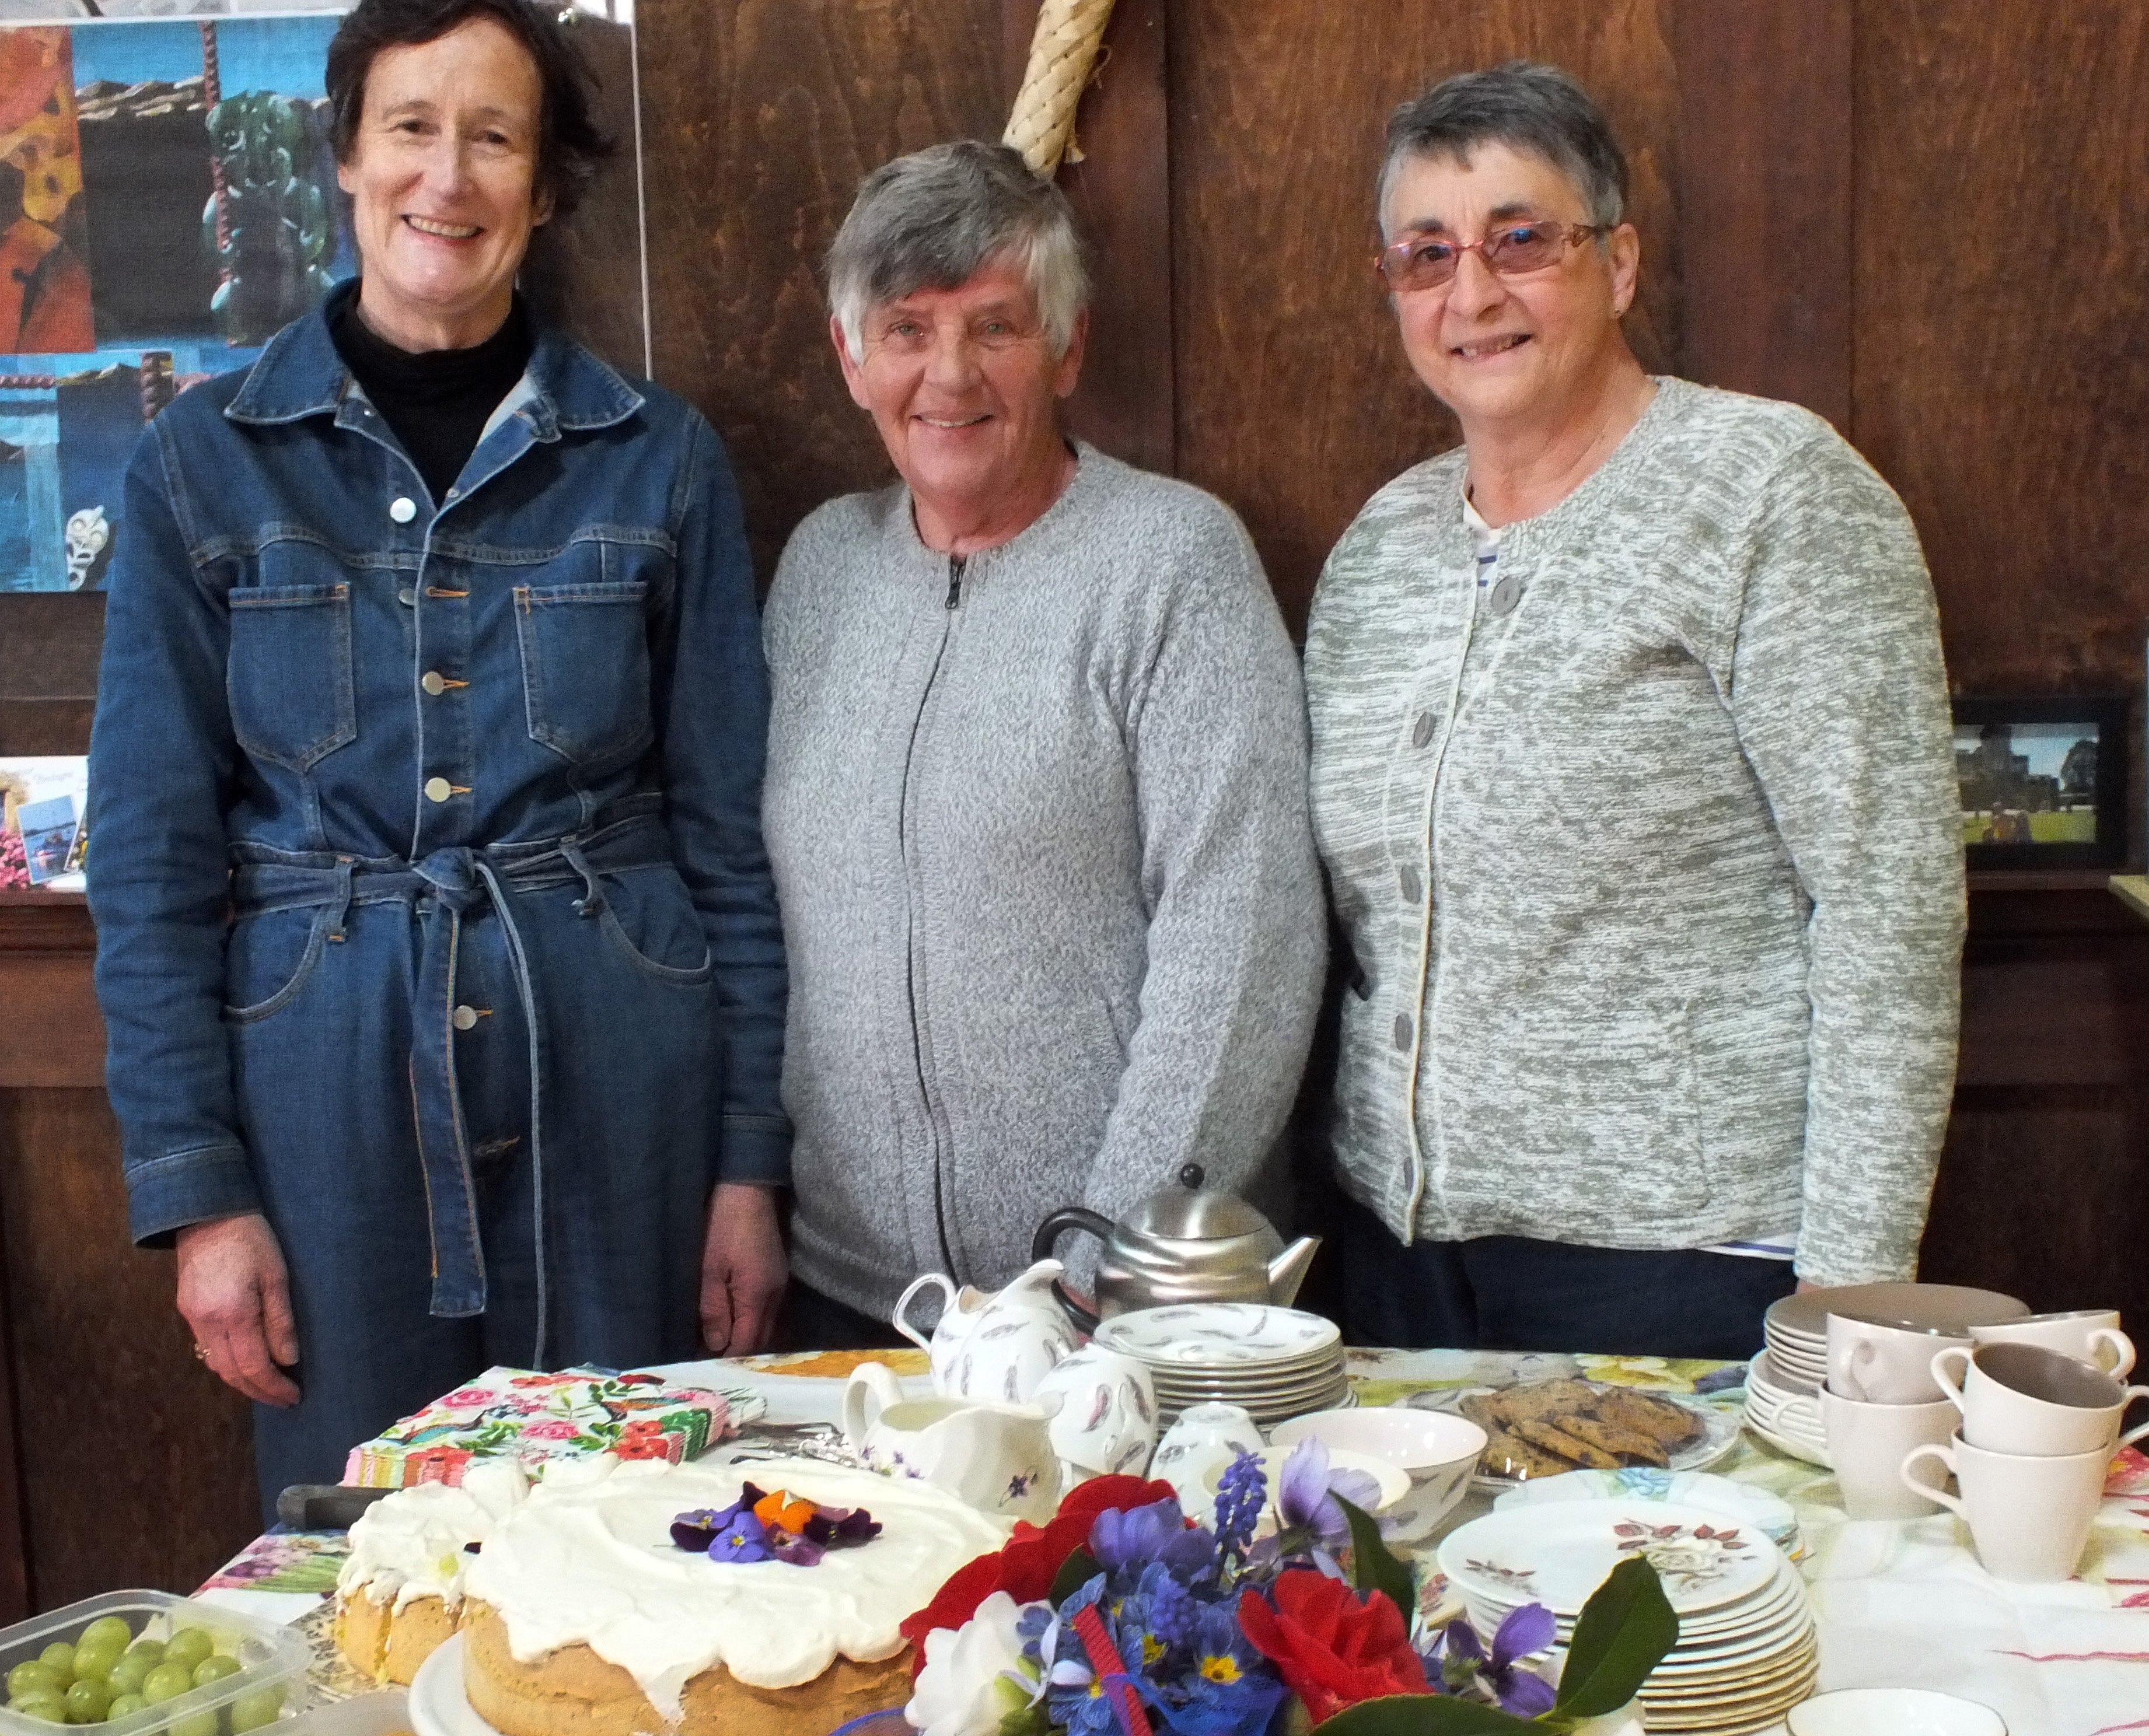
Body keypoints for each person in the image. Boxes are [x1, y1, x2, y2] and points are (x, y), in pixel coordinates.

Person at [86, 0, 788, 1518]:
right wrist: (197, 1194)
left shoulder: (658, 459)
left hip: (623, 1096)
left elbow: (727, 838)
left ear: (541, 188)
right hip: (325, 1107)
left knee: (630, 1533)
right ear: (344, 157)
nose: (446, 178)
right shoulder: (199, 462)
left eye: (495, 137)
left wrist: (747, 1166)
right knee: (364, 1551)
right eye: (412, 127)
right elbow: (148, 862)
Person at [1304, 62, 1965, 1359]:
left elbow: (1890, 908)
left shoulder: (1772, 496)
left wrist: (1849, 1303)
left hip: (1692, 1270)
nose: (1472, 293)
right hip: (1403, 1269)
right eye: (1427, 255)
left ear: (1617, 264)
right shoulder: (1380, 550)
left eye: (1521, 241)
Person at [764, 141, 1325, 1346]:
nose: (950, 374)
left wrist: (1103, 1259)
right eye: (908, 329)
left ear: (1067, 349)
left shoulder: (1174, 564)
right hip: (854, 1303)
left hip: (1125, 1308)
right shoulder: (818, 571)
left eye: (997, 327)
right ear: (851, 357)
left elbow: (1244, 941)